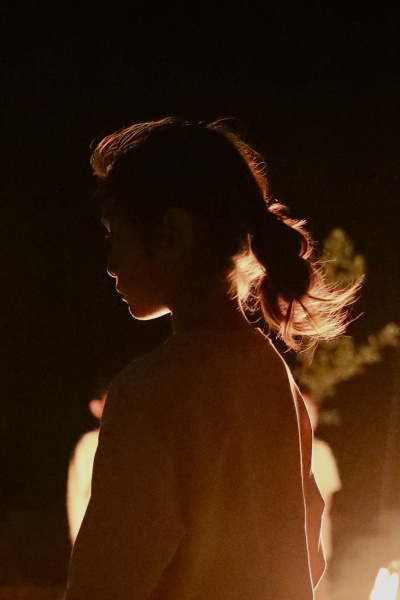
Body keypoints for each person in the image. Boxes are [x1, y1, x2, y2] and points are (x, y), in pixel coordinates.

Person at [65, 118, 359, 600]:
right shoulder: (272, 376)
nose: (111, 264)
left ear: (172, 234)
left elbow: (105, 580)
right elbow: (309, 553)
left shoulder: (152, 390)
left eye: (117, 235)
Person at [303, 394, 342, 600]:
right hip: (280, 549)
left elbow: (326, 498)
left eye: (310, 413)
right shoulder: (275, 453)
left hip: (315, 546)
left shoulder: (321, 452)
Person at [66, 381, 109, 544]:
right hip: (99, 541)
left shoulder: (140, 443)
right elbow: (77, 498)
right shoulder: (90, 445)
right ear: (96, 407)